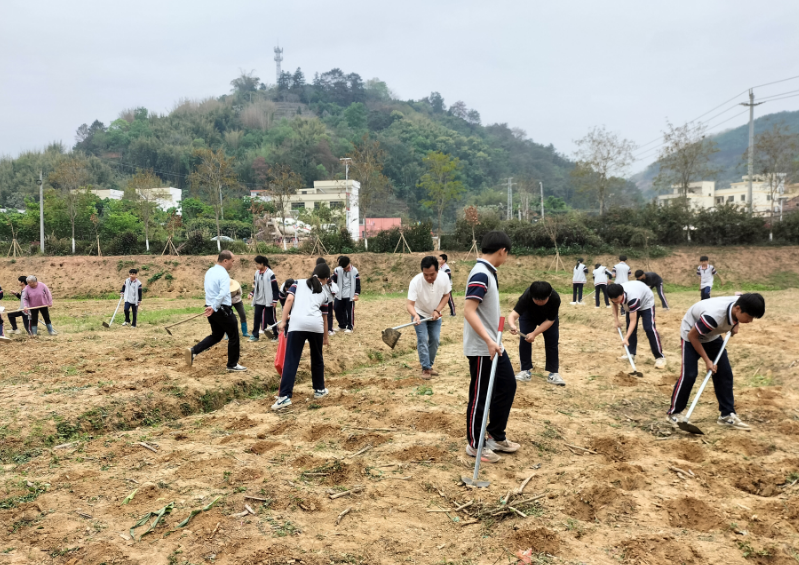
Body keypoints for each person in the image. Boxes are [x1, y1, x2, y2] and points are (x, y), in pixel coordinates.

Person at [463, 230, 519, 464]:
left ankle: (496, 435)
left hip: (494, 345)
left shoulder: (488, 273)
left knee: (507, 385)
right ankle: (475, 444)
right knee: (480, 396)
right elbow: (468, 310)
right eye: (507, 254)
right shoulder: (481, 273)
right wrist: (487, 339)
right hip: (481, 348)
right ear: (502, 251)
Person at [669, 294, 765, 430]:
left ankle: (727, 415)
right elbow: (693, 336)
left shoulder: (740, 302)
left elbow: (741, 294)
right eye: (749, 317)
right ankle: (674, 413)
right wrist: (707, 361)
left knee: (724, 373)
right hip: (691, 335)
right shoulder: (714, 316)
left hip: (712, 335)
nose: (750, 321)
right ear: (738, 309)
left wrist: (736, 323)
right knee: (689, 374)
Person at [272, 263, 332, 410]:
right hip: (316, 326)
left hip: (297, 325)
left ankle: (284, 396)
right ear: (326, 279)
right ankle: (319, 390)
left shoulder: (297, 283)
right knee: (317, 358)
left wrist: (284, 321)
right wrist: (325, 337)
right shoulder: (325, 292)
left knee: (291, 360)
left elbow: (289, 300)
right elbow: (325, 317)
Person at [185, 251, 246, 372]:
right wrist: (214, 306)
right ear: (225, 261)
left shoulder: (210, 271)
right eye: (232, 261)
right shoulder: (223, 274)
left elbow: (208, 290)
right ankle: (232, 364)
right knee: (234, 335)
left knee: (217, 335)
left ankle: (194, 351)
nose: (233, 264)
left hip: (211, 307)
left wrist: (210, 305)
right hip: (220, 308)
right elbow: (223, 292)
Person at [508, 281, 564, 386]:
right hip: (528, 317)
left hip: (548, 319)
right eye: (536, 299)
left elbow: (550, 321)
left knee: (552, 342)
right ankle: (525, 370)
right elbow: (513, 314)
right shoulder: (526, 295)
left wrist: (534, 333)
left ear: (549, 295)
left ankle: (554, 373)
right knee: (524, 340)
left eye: (542, 300)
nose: (539, 302)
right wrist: (512, 325)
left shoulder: (555, 298)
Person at [407, 256, 452, 379]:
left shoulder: (444, 278)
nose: (429, 278)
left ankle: (429, 365)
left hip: (435, 315)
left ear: (438, 270)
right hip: (419, 314)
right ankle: (426, 368)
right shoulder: (415, 282)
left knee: (435, 340)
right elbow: (410, 305)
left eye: (432, 274)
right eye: (425, 274)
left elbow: (446, 295)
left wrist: (437, 310)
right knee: (422, 339)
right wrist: (415, 315)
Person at [607, 281, 667, 369]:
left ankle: (660, 357)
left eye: (618, 300)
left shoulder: (632, 297)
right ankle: (631, 354)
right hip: (632, 302)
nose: (616, 301)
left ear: (622, 293)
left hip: (646, 302)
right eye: (613, 300)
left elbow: (633, 321)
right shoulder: (614, 293)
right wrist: (616, 321)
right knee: (630, 329)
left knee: (649, 328)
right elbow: (615, 305)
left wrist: (626, 338)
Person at [249, 255, 278, 342]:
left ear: (262, 264)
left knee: (271, 318)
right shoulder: (257, 273)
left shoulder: (270, 273)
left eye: (257, 264)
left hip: (269, 300)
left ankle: (276, 334)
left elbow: (275, 288)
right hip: (259, 300)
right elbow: (256, 286)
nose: (256, 266)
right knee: (257, 317)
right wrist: (252, 293)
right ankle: (255, 335)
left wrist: (275, 300)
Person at [332, 256, 360, 333]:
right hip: (339, 293)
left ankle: (350, 327)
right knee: (337, 308)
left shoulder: (354, 271)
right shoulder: (338, 270)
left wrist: (356, 294)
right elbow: (333, 279)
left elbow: (357, 283)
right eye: (343, 268)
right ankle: (342, 325)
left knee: (349, 311)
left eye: (346, 267)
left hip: (350, 294)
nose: (345, 269)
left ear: (349, 264)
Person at [316, 258, 339, 337]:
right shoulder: (326, 274)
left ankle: (321, 329)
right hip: (328, 298)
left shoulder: (315, 275)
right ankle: (329, 329)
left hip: (319, 298)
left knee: (320, 314)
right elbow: (331, 284)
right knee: (328, 314)